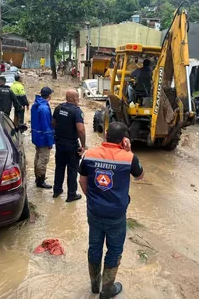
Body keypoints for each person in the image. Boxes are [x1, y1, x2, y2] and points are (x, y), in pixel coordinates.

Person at [78, 122, 144, 299]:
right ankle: (107, 289)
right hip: (116, 214)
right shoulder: (129, 158)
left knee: (94, 245)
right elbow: (140, 176)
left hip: (94, 211)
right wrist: (129, 151)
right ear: (124, 140)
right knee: (114, 250)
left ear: (106, 134)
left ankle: (94, 285)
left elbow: (82, 182)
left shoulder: (88, 154)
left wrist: (92, 200)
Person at [52, 89, 86, 202]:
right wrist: (84, 145)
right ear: (75, 99)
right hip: (71, 145)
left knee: (59, 167)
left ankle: (57, 190)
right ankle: (71, 195)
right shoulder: (77, 111)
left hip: (59, 143)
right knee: (72, 170)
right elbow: (81, 130)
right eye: (78, 98)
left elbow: (53, 124)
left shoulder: (58, 108)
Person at [31, 87, 55, 189]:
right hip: (43, 138)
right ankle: (40, 181)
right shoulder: (44, 108)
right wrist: (50, 142)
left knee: (38, 156)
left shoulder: (35, 105)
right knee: (44, 158)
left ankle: (37, 177)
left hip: (36, 136)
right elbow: (47, 126)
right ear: (49, 96)